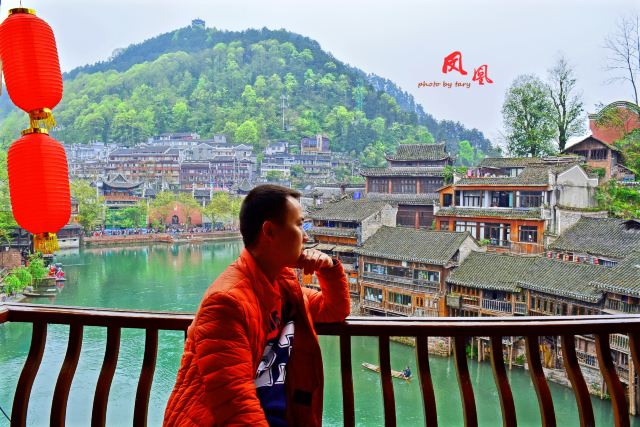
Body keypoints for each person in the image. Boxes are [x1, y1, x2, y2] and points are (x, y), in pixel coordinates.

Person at [163, 185, 350, 426]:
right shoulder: (226, 303)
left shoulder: (282, 287)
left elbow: (334, 310)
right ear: (269, 231)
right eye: (299, 225)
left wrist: (328, 269)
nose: (305, 237)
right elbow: (237, 406)